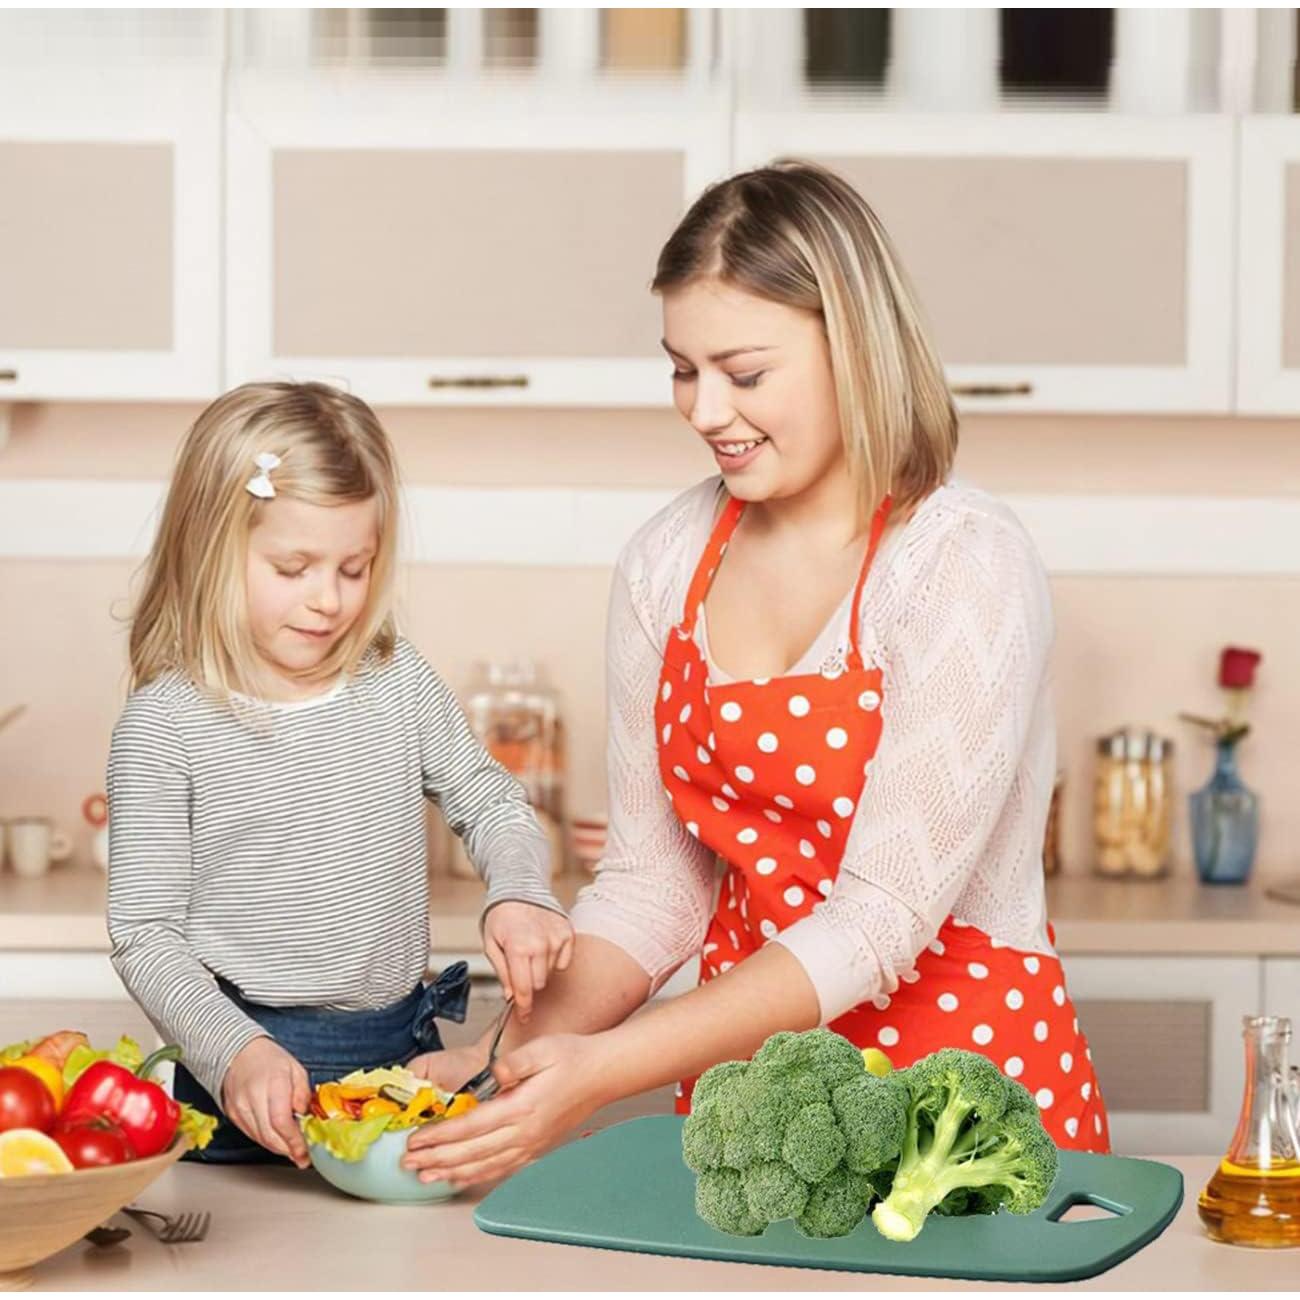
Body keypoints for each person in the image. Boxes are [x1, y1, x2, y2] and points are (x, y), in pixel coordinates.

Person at [403, 161, 1110, 1190]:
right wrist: (499, 1063)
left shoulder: (961, 560)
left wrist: (600, 1072)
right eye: (681, 368)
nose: (702, 408)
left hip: (967, 1107)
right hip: (759, 1119)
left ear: (854, 347)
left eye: (742, 370)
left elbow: (881, 919)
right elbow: (654, 884)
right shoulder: (665, 560)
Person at [106, 380, 573, 1166]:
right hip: (233, 1088)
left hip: (397, 1074)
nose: (329, 601)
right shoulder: (165, 724)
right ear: (211, 546)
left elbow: (490, 800)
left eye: (354, 569)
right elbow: (146, 937)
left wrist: (521, 891)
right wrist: (236, 1054)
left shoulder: (394, 680)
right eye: (293, 568)